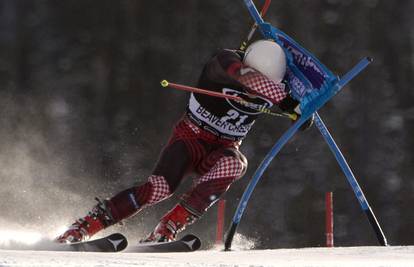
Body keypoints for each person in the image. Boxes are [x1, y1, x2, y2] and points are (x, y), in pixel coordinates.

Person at [56, 39, 312, 243]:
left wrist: (301, 114)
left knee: (235, 164)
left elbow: (295, 104)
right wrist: (286, 101)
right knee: (158, 189)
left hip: (224, 149)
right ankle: (87, 225)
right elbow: (246, 77)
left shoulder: (277, 87)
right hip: (191, 139)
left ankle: (169, 225)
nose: (253, 93)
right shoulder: (224, 61)